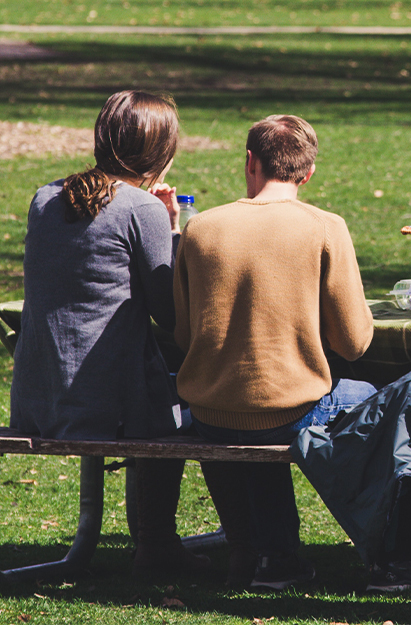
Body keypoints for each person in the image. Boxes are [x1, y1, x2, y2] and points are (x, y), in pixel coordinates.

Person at [9, 90, 209, 576]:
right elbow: (171, 316)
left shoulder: (45, 197)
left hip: (39, 398)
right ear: (163, 152)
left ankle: (154, 540)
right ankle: (161, 541)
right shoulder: (140, 209)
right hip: (105, 404)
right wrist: (173, 230)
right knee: (203, 406)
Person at [173, 114, 377, 590]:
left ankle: (273, 556)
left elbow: (185, 335)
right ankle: (395, 550)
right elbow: (354, 342)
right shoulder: (325, 227)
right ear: (308, 173)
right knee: (372, 395)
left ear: (250, 162)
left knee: (259, 403)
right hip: (291, 410)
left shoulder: (200, 228)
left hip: (210, 409)